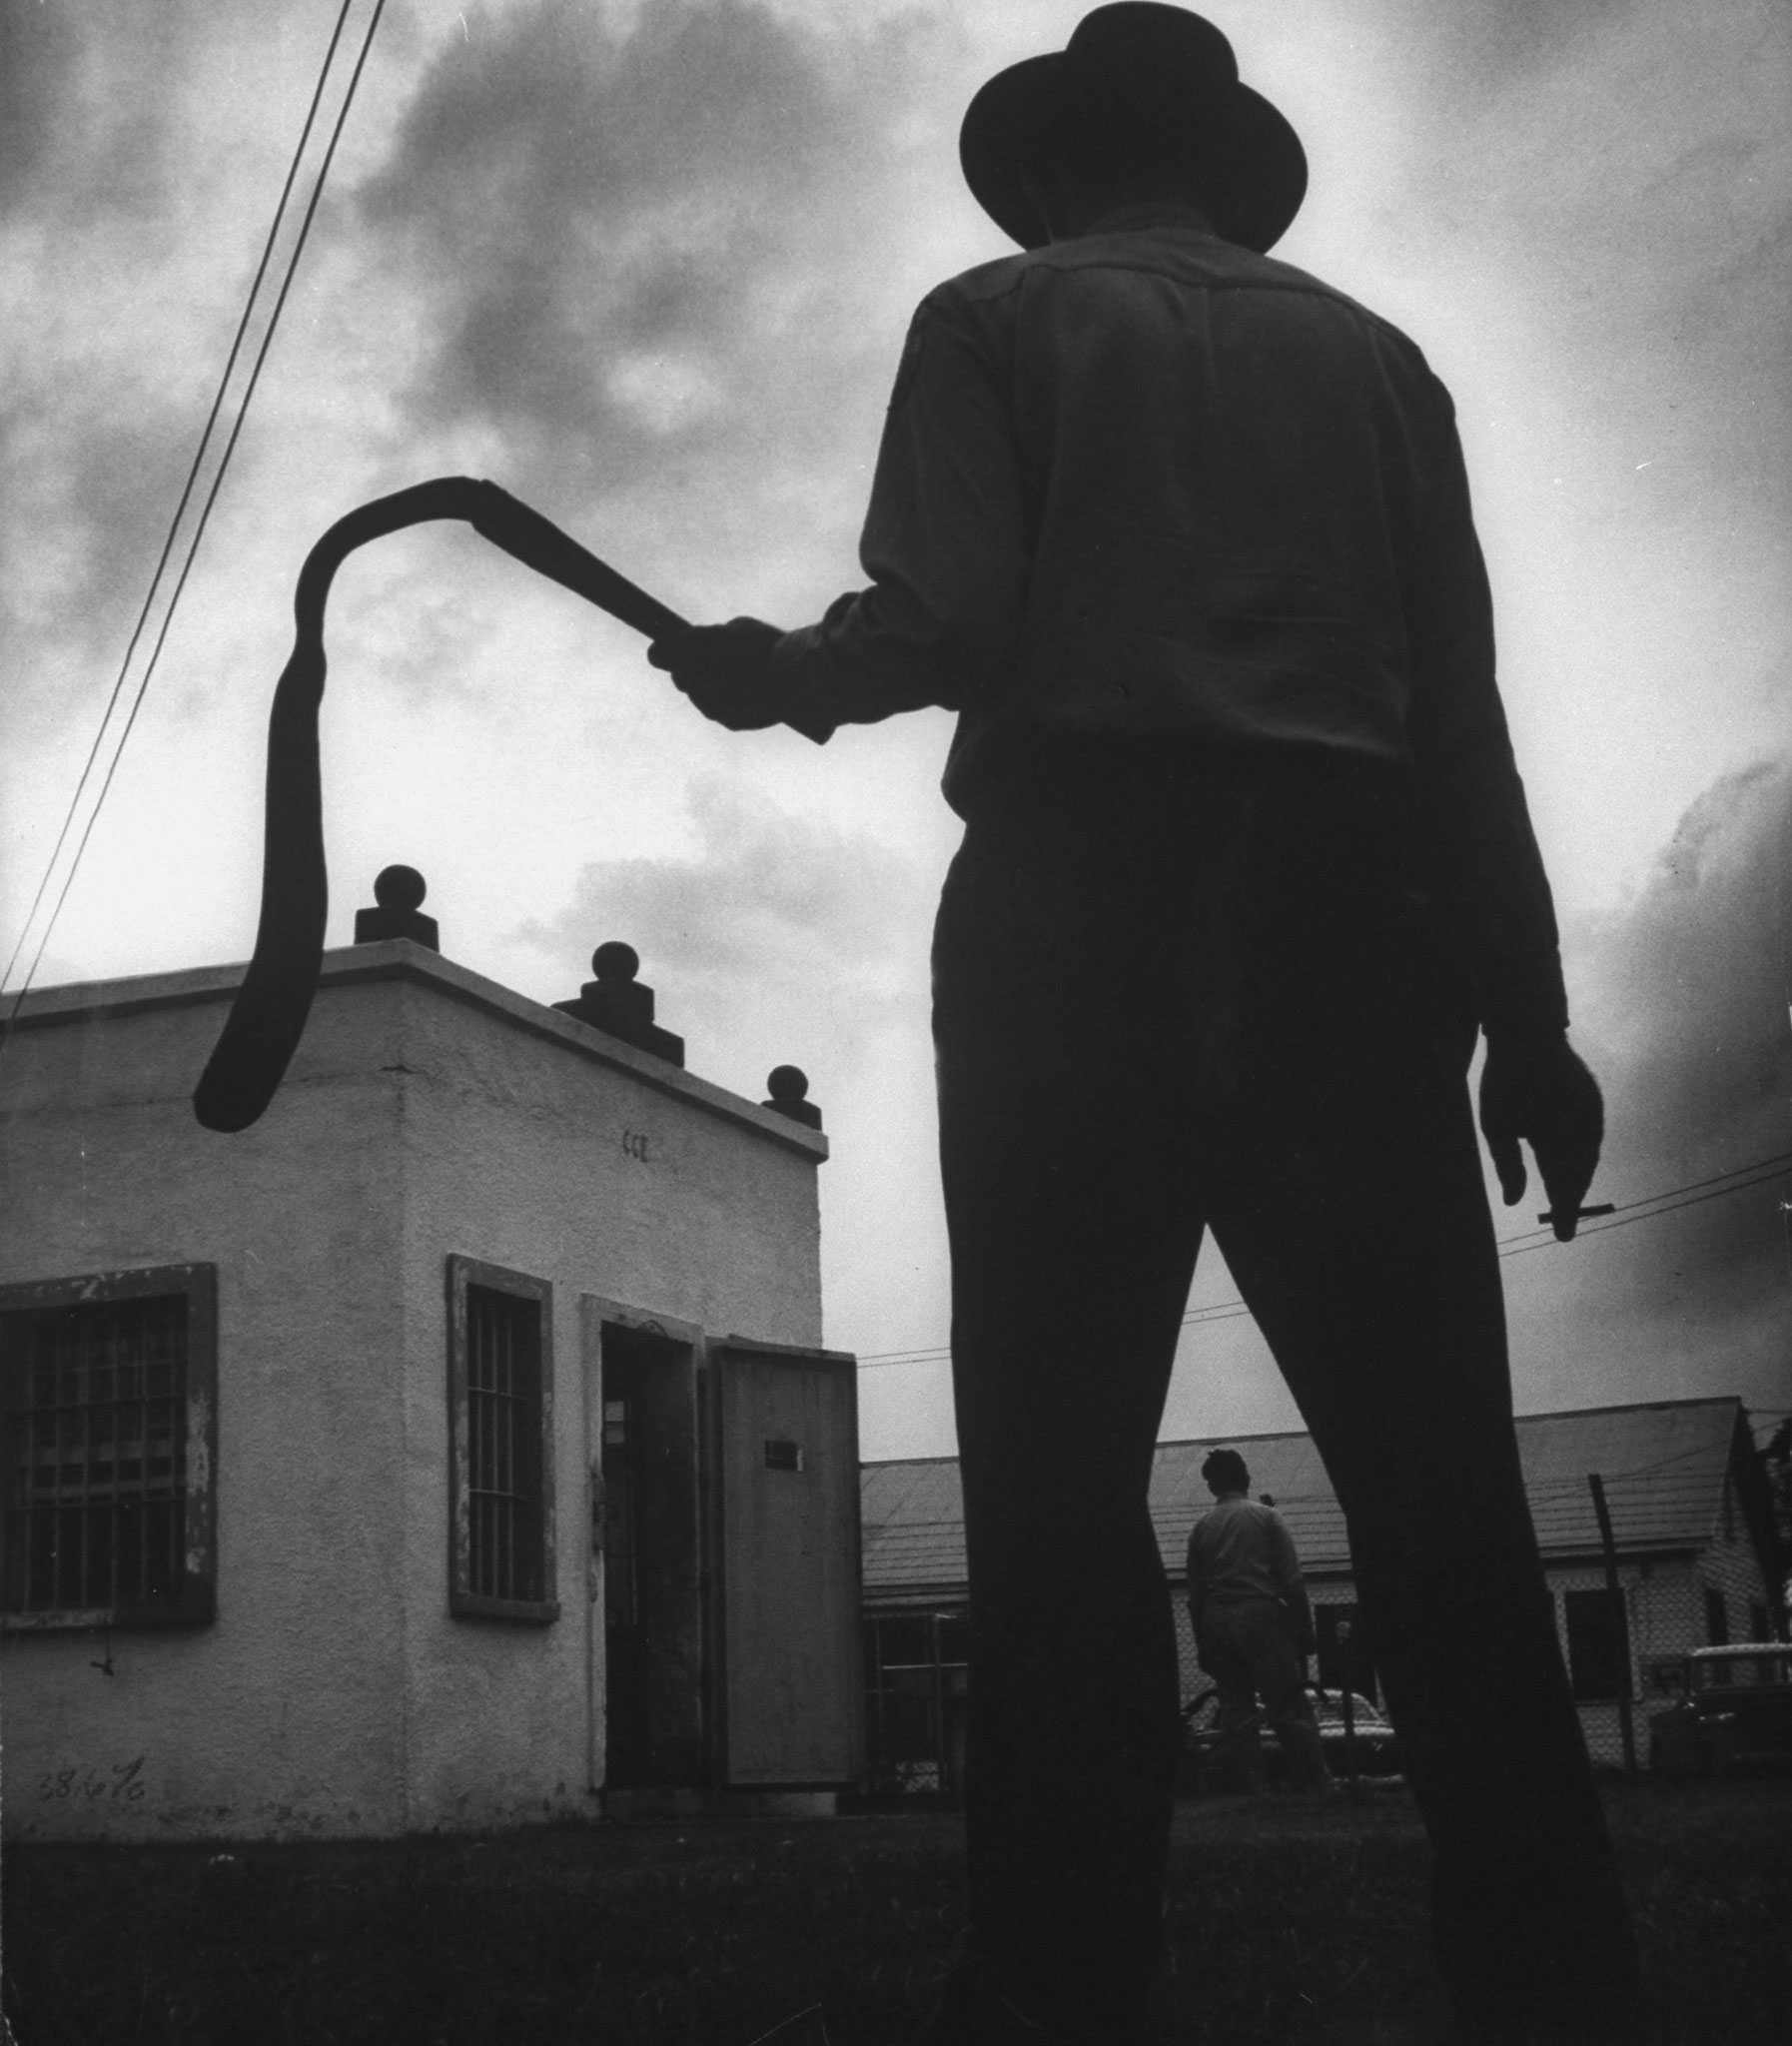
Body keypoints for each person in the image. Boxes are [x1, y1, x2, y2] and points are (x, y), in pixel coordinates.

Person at [648, 7, 1643, 2040]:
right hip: (1358, 921)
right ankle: (1550, 1979)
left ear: (1062, 159)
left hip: (1074, 917)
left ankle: (1056, 1981)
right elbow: (1462, 720)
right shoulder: (1375, 363)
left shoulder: (991, 318)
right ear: (1217, 159)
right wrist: (1526, 1026)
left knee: (1052, 1504)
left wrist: (777, 671)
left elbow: (942, 624)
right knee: (1444, 1500)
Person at [1187, 1447, 1329, 1793]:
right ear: (1245, 1476)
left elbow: (1195, 1596)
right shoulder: (1267, 1518)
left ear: (1210, 1486)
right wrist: (1305, 1630)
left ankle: (1251, 1786)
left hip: (1216, 1620)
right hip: (1261, 1615)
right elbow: (1292, 1581)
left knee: (1236, 1707)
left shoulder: (1201, 1528)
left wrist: (1202, 1642)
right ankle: (1312, 1782)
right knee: (1287, 1703)